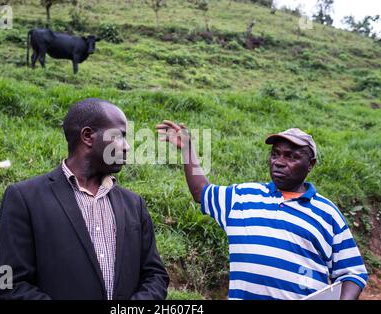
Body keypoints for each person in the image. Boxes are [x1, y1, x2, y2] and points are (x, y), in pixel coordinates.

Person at [156, 121, 368, 300]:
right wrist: (187, 151)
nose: (279, 162)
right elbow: (201, 191)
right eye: (275, 154)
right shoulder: (242, 197)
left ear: (310, 164)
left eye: (291, 157)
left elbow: (353, 274)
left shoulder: (327, 213)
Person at [0, 98, 169, 300]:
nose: (127, 147)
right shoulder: (24, 199)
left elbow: (155, 275)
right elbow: (9, 285)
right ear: (88, 136)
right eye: (119, 136)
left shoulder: (133, 204)